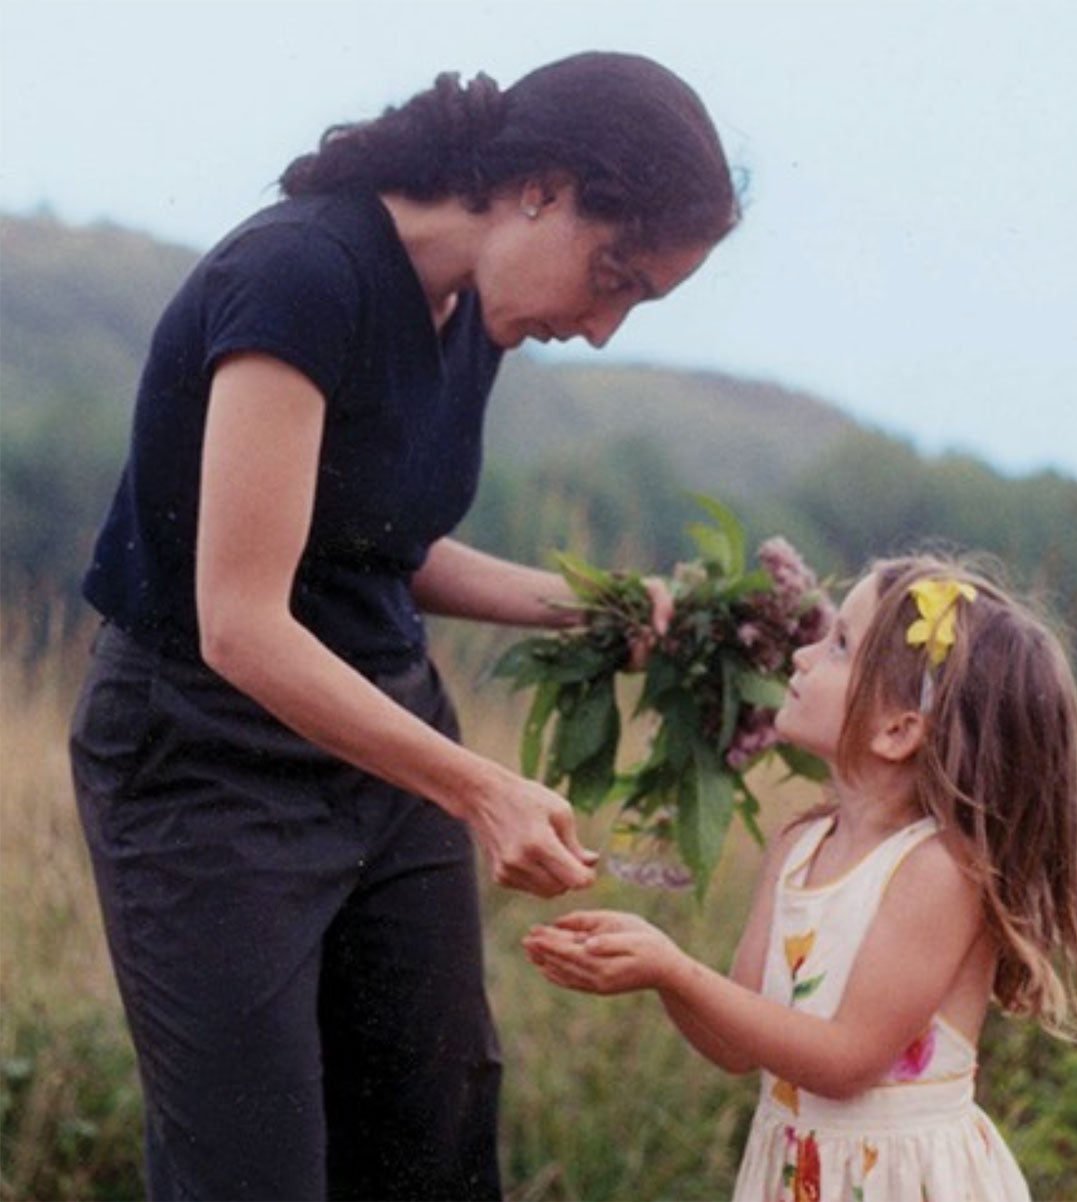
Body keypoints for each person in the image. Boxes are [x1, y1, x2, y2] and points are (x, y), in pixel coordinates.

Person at [68, 51, 739, 1201]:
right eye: (614, 274)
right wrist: (482, 787)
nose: (604, 325)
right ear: (542, 185)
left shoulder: (470, 314)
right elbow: (241, 620)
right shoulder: (300, 276)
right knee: (253, 1169)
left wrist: (597, 606)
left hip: (384, 754)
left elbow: (383, 541)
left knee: (430, 1142)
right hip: (205, 767)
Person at [524, 553, 1077, 1202]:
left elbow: (845, 1062)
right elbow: (736, 1047)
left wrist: (672, 967)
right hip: (798, 1175)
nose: (804, 656)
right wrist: (655, 975)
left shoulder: (938, 870)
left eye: (839, 644)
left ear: (897, 730)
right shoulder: (798, 845)